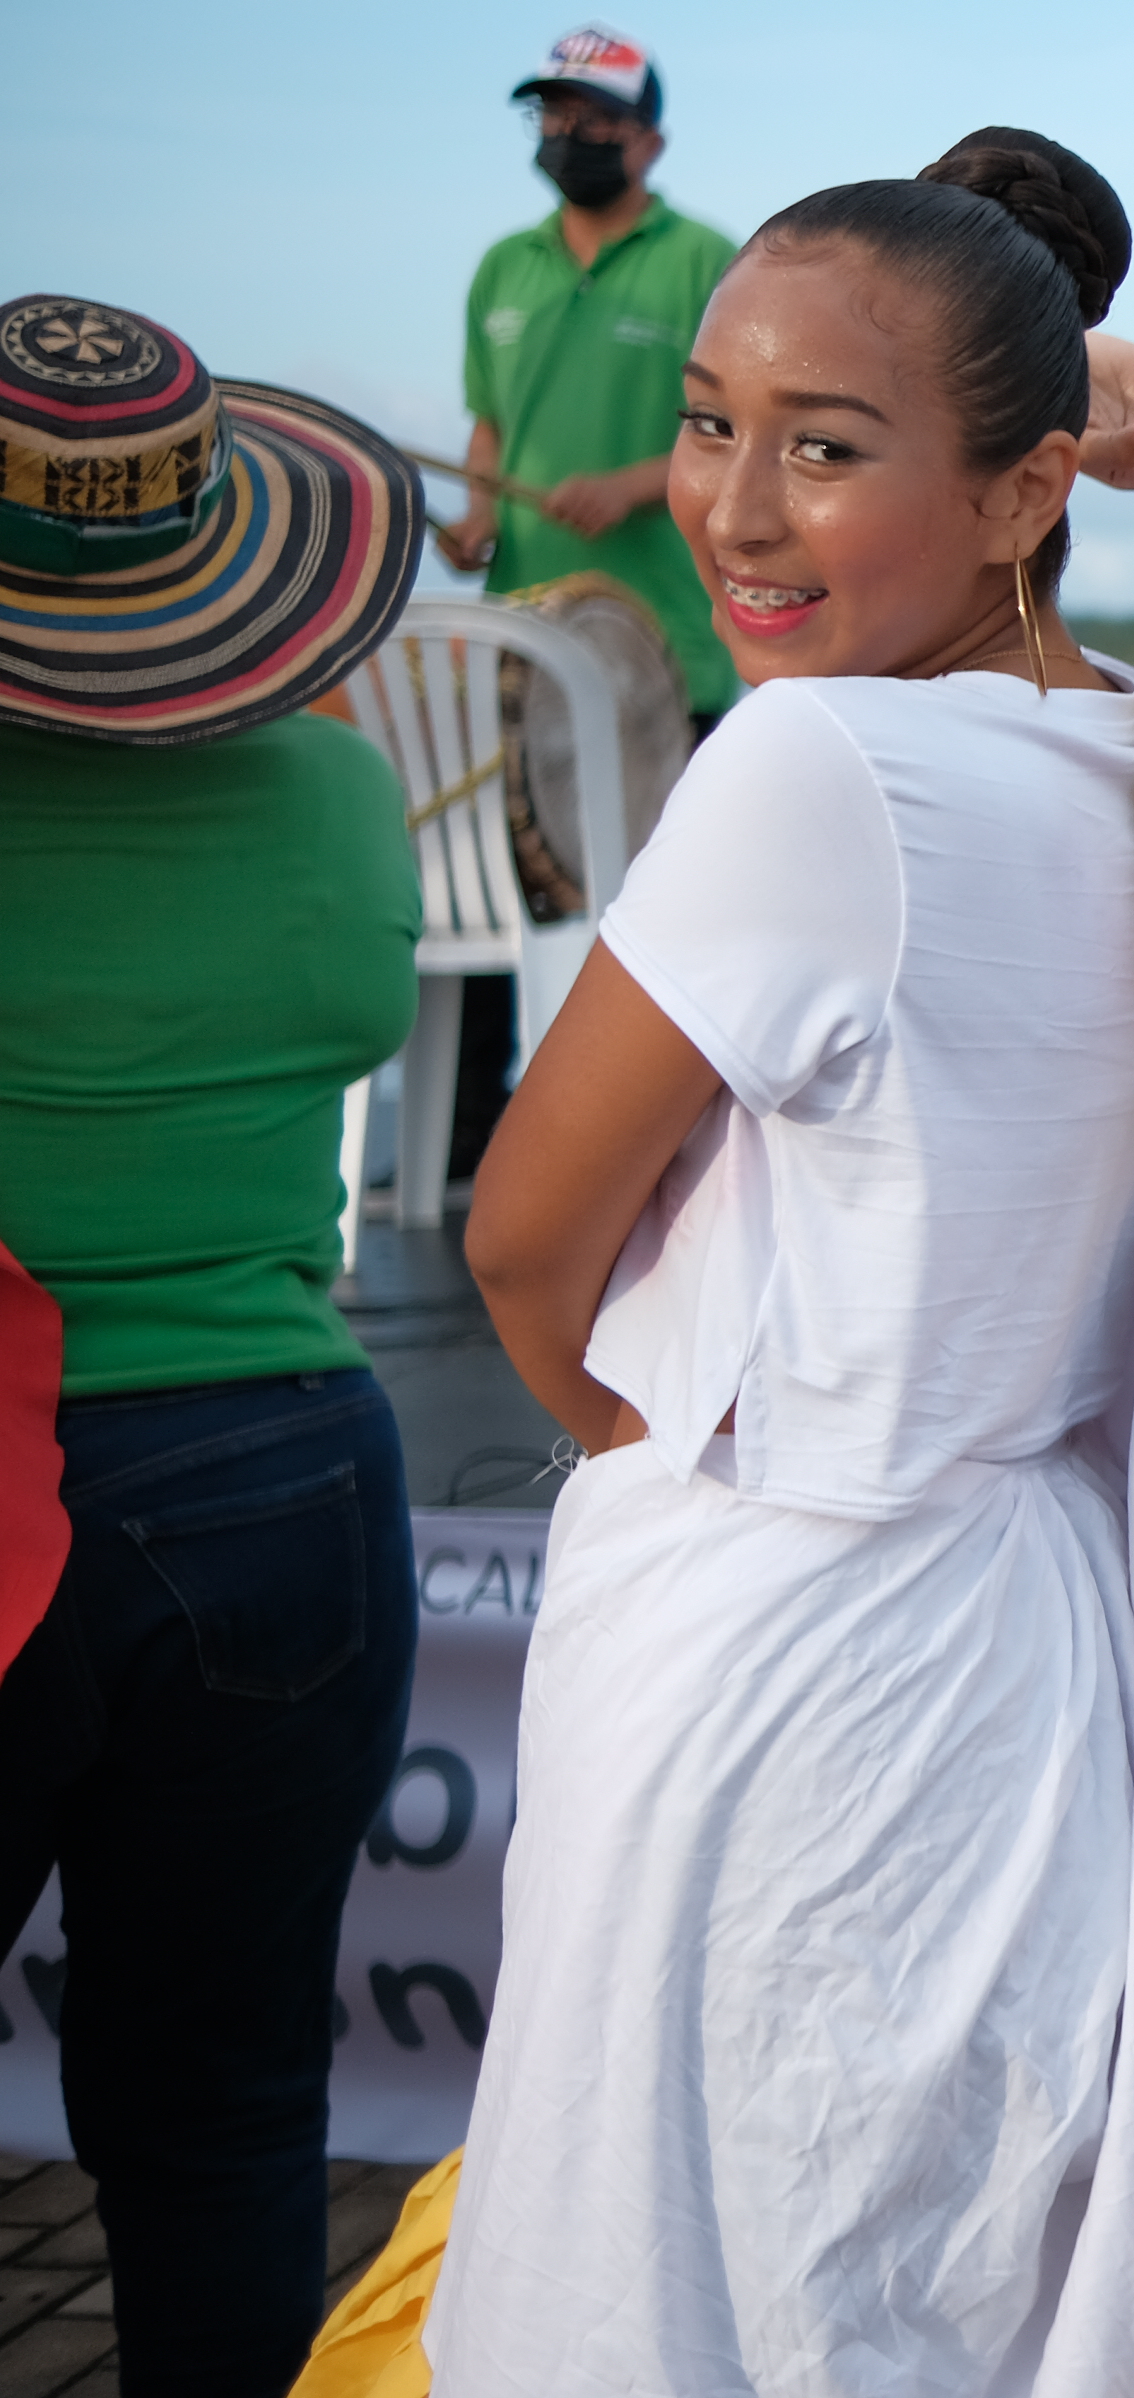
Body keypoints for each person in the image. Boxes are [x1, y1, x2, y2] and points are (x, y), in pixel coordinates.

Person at [320, 132, 1134, 2394]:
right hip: (1030, 1638)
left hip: (773, 1633)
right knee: (914, 2273)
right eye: (710, 423)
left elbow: (524, 1231)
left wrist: (642, 1448)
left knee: (663, 2283)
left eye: (825, 451)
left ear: (1028, 489)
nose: (734, 511)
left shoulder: (816, 765)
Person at [0, 294, 425, 2395]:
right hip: (278, 1471)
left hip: (12, 1473)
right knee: (230, 2107)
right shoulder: (333, 805)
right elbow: (357, 1019)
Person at [440, 26, 741, 1183]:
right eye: (553, 116)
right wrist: (475, 515)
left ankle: (662, 1147)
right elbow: (488, 428)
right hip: (519, 645)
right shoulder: (500, 270)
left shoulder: (707, 259)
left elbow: (735, 423)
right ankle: (468, 1141)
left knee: (668, 906)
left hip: (668, 648)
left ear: (649, 139)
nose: (570, 137)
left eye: (595, 119)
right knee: (490, 876)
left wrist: (634, 481)